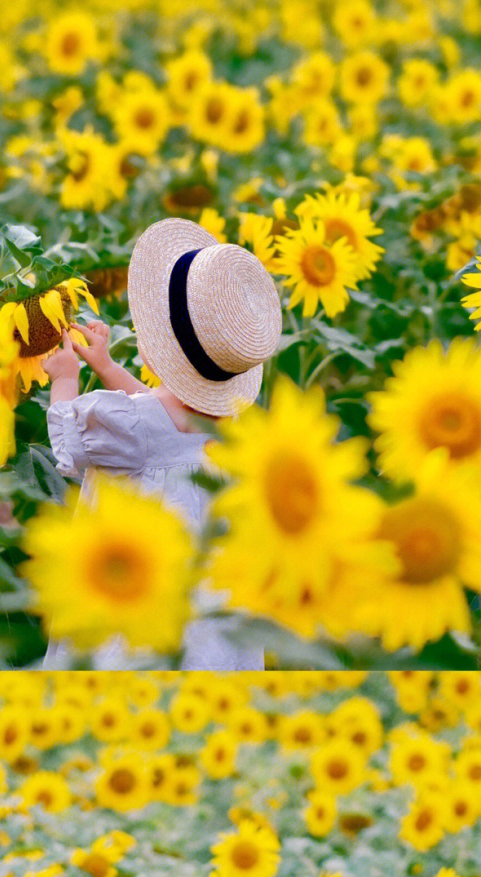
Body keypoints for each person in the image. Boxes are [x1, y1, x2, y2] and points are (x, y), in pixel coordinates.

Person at [39, 217, 282, 671]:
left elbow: (68, 441)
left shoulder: (132, 425)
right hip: (208, 612)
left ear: (156, 348)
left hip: (132, 595)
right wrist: (109, 368)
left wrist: (65, 377)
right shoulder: (230, 426)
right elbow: (159, 416)